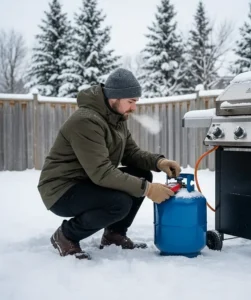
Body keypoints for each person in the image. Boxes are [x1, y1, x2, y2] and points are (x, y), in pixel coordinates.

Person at [37, 68, 181, 260]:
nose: (134, 108)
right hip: (61, 189)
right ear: (115, 97)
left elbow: (131, 153)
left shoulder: (116, 118)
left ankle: (114, 235)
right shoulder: (86, 121)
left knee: (142, 174)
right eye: (131, 101)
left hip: (85, 180)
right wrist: (147, 190)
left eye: (135, 102)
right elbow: (101, 172)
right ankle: (66, 235)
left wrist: (159, 162)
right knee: (119, 203)